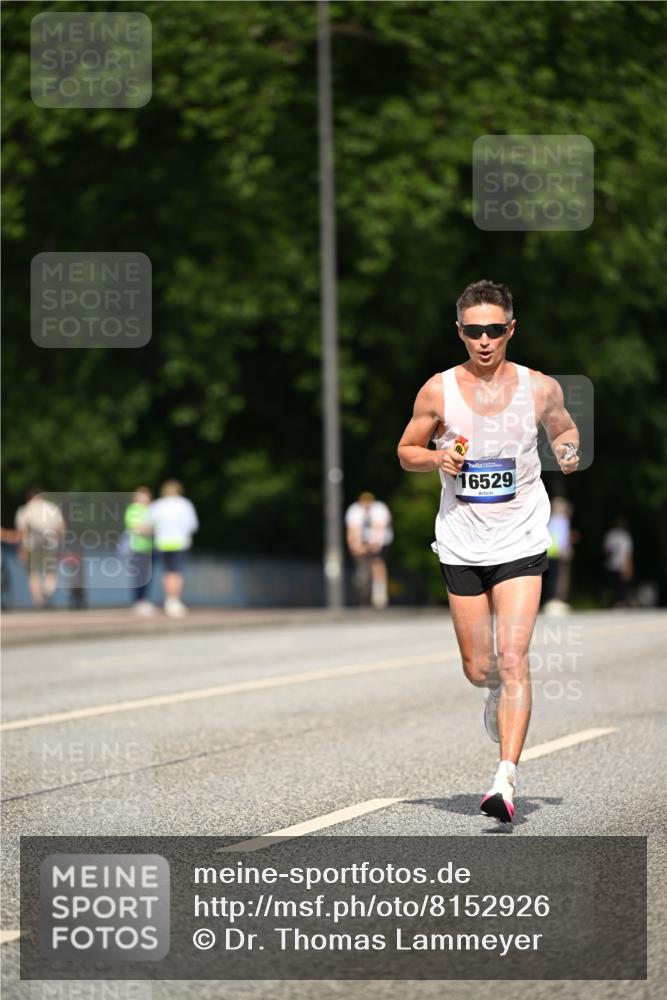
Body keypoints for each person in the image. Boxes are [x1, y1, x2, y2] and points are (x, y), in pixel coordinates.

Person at [397, 279, 580, 824]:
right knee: (481, 668)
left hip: (522, 536)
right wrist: (437, 461)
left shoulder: (539, 387)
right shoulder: (438, 391)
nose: (484, 340)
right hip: (461, 541)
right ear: (459, 332)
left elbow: (564, 427)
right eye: (474, 330)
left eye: (494, 330)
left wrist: (568, 449)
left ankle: (505, 778)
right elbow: (406, 451)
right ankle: (492, 694)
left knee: (513, 656)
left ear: (510, 330)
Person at [145, 480, 198, 618]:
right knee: (177, 572)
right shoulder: (185, 504)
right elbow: (192, 525)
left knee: (167, 572)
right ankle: (174, 600)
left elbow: (148, 524)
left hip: (162, 542)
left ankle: (169, 600)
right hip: (179, 542)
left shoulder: (158, 505)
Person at [14, 488, 66, 609]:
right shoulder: (52, 508)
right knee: (50, 572)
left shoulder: (25, 509)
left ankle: (39, 599)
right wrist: (61, 543)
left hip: (31, 544)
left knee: (33, 573)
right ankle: (47, 592)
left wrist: (22, 548)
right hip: (50, 542)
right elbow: (61, 527)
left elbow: (22, 532)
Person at [345, 492, 393, 609]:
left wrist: (373, 545)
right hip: (362, 540)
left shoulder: (380, 509)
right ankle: (363, 595)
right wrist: (355, 546)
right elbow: (352, 530)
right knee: (361, 566)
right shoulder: (354, 510)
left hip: (381, 540)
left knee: (377, 564)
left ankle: (379, 596)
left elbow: (379, 528)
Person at [124, 486, 154, 616]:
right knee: (139, 576)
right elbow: (136, 527)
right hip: (136, 547)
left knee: (146, 575)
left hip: (148, 547)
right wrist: (150, 530)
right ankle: (138, 601)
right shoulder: (134, 509)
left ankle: (143, 600)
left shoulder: (150, 509)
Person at [602, 517, 634, 607]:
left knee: (614, 586)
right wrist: (629, 567)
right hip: (621, 565)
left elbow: (605, 550)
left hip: (611, 564)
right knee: (620, 586)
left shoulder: (610, 535)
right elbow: (627, 554)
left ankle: (615, 602)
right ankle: (619, 602)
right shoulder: (625, 536)